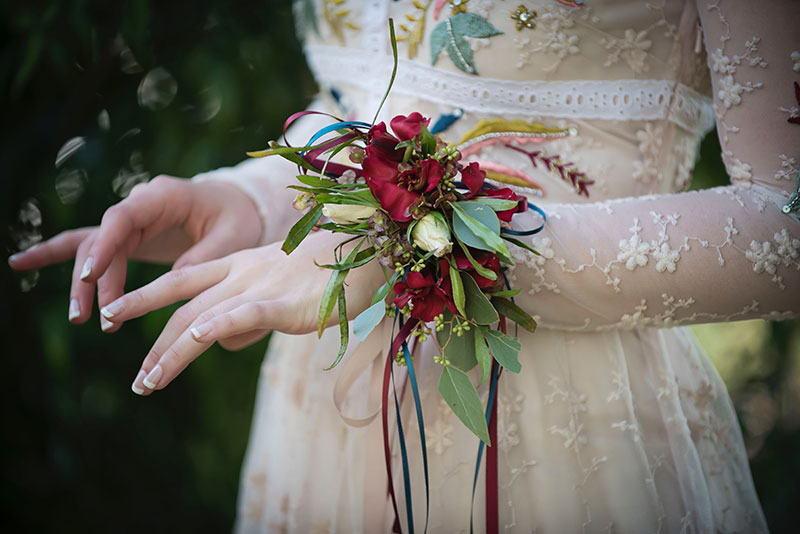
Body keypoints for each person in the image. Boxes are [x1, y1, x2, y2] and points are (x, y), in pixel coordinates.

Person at [10, 0, 800, 531]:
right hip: (325, 398)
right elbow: (365, 113)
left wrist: (403, 244)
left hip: (566, 418)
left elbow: (786, 225)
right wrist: (250, 202)